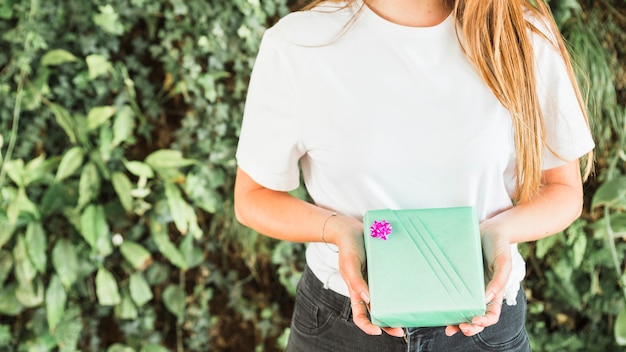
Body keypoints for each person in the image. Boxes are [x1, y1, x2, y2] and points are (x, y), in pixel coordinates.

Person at [233, 0, 595, 350]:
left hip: (483, 326)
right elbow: (252, 197)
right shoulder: (299, 43)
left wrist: (497, 234)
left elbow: (563, 189)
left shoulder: (521, 34)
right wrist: (342, 231)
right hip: (340, 327)